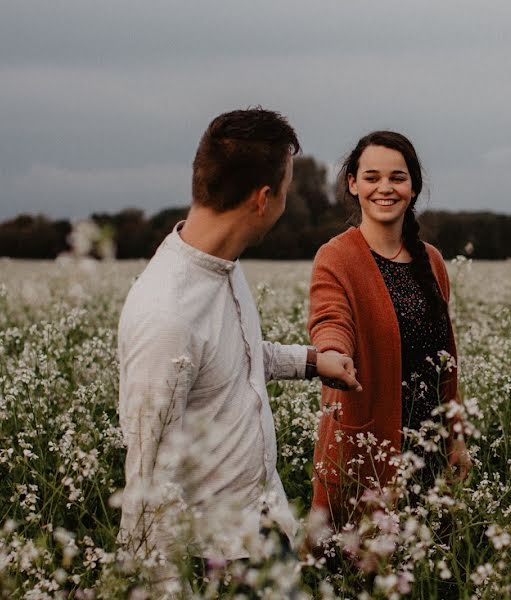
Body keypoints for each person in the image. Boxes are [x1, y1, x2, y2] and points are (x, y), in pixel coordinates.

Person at [116, 108, 361, 585]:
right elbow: (148, 479)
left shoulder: (222, 266)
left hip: (265, 530)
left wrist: (313, 362)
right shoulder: (167, 312)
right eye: (286, 191)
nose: (286, 202)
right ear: (262, 199)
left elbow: (236, 357)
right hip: (219, 562)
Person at [307, 131, 471, 530]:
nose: (385, 188)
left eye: (397, 178)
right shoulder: (336, 256)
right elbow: (330, 318)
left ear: (413, 187)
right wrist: (332, 352)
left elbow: (444, 358)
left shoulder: (430, 260)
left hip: (428, 448)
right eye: (372, 177)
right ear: (352, 184)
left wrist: (456, 435)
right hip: (369, 445)